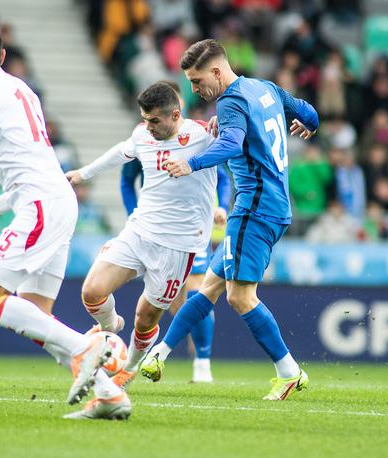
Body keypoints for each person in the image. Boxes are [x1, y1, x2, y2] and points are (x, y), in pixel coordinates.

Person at [0, 21, 129, 421]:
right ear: (3, 57)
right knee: (35, 315)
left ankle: (86, 346)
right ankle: (108, 394)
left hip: (41, 207)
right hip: (58, 200)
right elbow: (33, 164)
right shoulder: (22, 88)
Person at [140, 39, 319, 401]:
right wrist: (308, 125)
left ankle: (288, 371)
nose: (193, 89)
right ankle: (159, 354)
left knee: (239, 297)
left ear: (217, 72)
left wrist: (191, 162)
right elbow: (309, 112)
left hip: (253, 208)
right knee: (209, 285)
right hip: (273, 205)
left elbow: (234, 144)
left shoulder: (232, 100)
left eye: (196, 80)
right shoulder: (263, 88)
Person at [66, 81, 221, 390]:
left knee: (146, 318)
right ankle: (109, 328)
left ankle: (131, 366)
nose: (147, 126)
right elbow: (120, 152)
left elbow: (240, 141)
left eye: (154, 120)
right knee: (92, 291)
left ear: (175, 115)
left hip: (179, 245)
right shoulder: (141, 134)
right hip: (140, 231)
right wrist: (83, 173)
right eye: (144, 119)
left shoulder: (205, 136)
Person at [118, 80, 231, 383]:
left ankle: (202, 363)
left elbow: (220, 176)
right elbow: (127, 181)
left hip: (192, 227)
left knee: (197, 291)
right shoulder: (143, 138)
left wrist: (220, 206)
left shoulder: (197, 137)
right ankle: (166, 354)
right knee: (173, 302)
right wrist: (135, 217)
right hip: (154, 230)